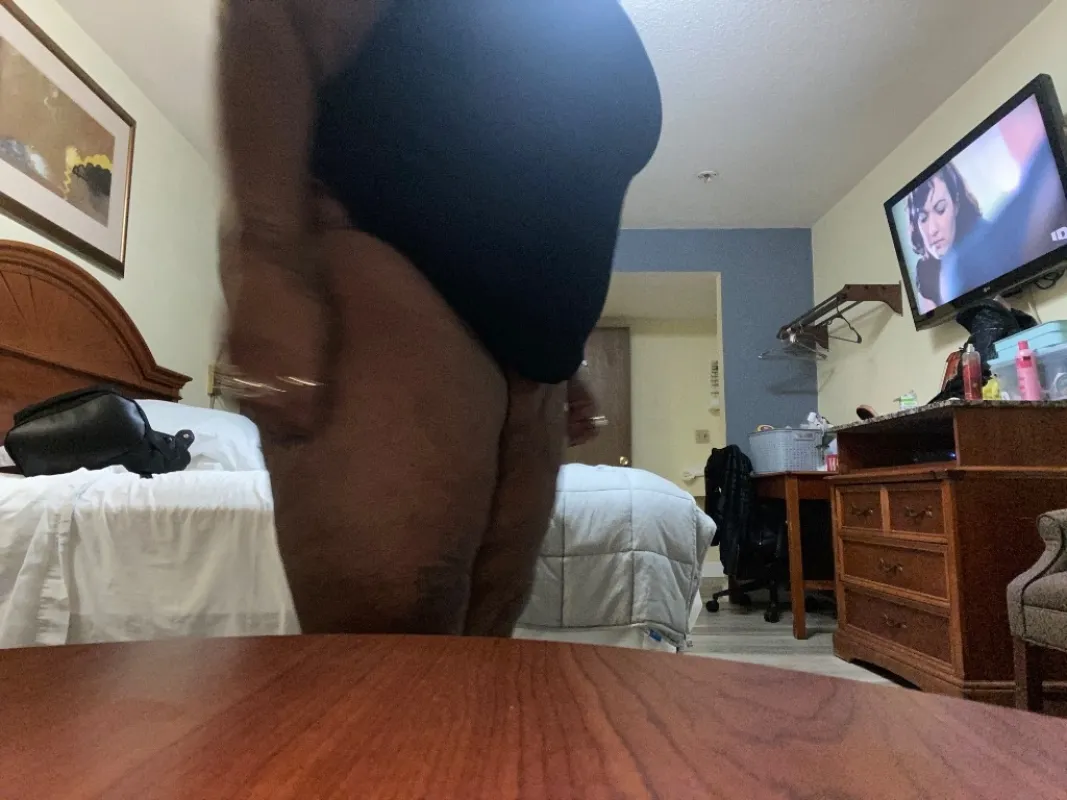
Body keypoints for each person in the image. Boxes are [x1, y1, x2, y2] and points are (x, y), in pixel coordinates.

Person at [218, 0, 661, 636]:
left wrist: (563, 351)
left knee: (487, 634)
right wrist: (268, 259)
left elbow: (564, 187)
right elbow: (271, 13)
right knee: (391, 630)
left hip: (538, 363)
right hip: (391, 269)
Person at [906, 162, 983, 311]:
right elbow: (930, 317)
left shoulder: (984, 242)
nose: (932, 230)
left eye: (940, 209)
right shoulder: (925, 272)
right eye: (923, 218)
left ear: (956, 204)